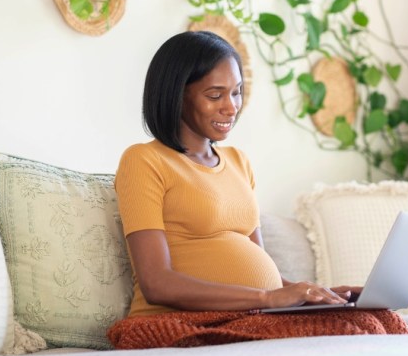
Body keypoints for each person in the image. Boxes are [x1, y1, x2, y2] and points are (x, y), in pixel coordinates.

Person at [115, 30, 360, 318]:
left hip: (252, 314)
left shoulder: (238, 162)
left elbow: (267, 278)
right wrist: (267, 298)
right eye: (215, 94)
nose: (231, 107)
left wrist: (316, 294)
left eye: (236, 92)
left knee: (364, 317)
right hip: (174, 322)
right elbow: (157, 283)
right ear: (176, 94)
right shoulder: (145, 160)